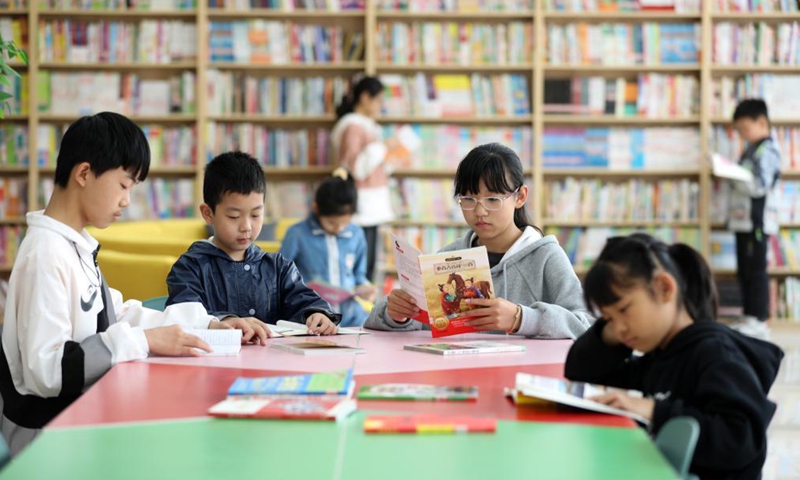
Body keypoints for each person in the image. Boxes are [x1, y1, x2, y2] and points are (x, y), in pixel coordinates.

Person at [0, 113, 266, 456]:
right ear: (84, 174)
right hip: (49, 438)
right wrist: (142, 340)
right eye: (124, 185)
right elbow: (48, 371)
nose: (127, 200)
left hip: (77, 417)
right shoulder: (45, 255)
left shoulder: (72, 245)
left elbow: (116, 313)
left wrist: (210, 324)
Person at [565, 233, 784, 480]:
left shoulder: (715, 354)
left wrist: (654, 410)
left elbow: (740, 439)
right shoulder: (660, 356)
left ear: (664, 288)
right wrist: (611, 330)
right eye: (609, 319)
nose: (619, 329)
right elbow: (579, 371)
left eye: (624, 309)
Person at [365, 143, 593, 338]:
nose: (480, 211)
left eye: (493, 199)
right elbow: (417, 322)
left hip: (522, 378)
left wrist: (521, 319)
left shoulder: (545, 256)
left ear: (520, 197)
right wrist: (396, 314)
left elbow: (586, 325)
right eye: (468, 199)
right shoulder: (449, 258)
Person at [166, 151, 341, 334]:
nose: (246, 227)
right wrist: (226, 321)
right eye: (234, 216)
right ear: (208, 214)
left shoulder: (279, 268)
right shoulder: (190, 267)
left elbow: (303, 299)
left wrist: (317, 313)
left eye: (256, 215)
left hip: (270, 360)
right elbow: (182, 315)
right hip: (215, 359)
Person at [331, 76, 406, 281]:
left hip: (369, 203)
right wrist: (383, 147)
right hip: (361, 204)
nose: (381, 107)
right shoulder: (353, 126)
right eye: (379, 100)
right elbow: (355, 166)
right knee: (362, 265)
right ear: (365, 97)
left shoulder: (365, 125)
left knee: (368, 262)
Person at [280, 168, 376, 327]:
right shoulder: (297, 234)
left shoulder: (356, 234)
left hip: (350, 318)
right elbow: (280, 275)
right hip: (312, 317)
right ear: (316, 209)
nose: (339, 228)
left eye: (345, 223)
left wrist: (365, 288)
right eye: (332, 223)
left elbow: (359, 275)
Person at [729, 99, 781, 329]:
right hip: (744, 221)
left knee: (756, 270)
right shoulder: (751, 150)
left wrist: (734, 176)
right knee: (744, 269)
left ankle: (758, 319)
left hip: (757, 222)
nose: (742, 135)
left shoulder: (767, 149)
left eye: (745, 129)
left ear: (762, 122)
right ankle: (749, 314)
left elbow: (760, 185)